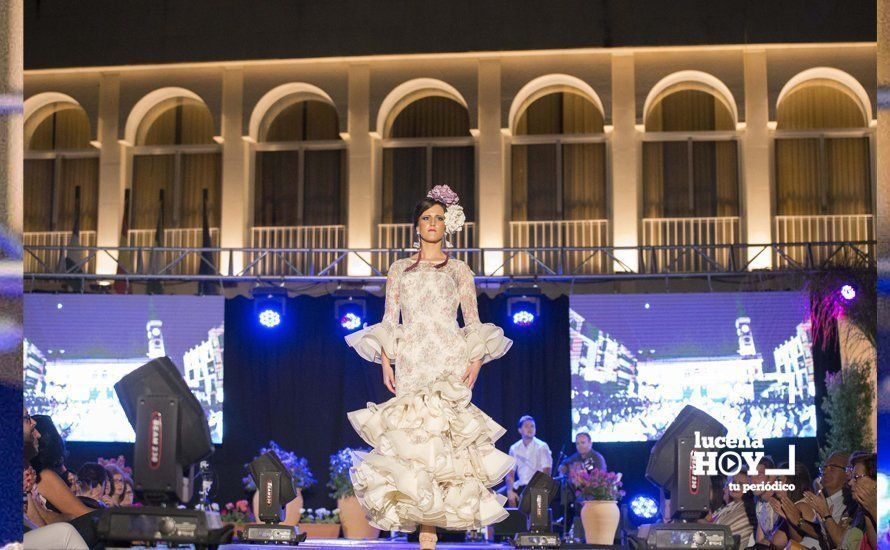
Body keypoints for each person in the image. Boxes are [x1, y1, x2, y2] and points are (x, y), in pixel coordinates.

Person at [345, 185, 514, 550]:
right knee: (413, 440)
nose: (433, 223)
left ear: (447, 225)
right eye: (426, 218)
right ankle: (424, 523)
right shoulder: (400, 269)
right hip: (412, 359)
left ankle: (432, 528)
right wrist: (385, 362)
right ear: (416, 227)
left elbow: (473, 321)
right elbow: (389, 319)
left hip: (449, 359)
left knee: (446, 440)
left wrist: (476, 362)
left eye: (439, 218)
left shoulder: (459, 270)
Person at [505, 415, 552, 507]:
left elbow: (547, 472)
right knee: (500, 498)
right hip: (521, 486)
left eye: (532, 426)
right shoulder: (514, 448)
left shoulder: (542, 446)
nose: (530, 429)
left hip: (537, 487)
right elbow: (510, 473)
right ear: (520, 430)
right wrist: (509, 491)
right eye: (526, 426)